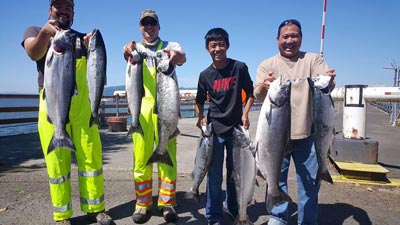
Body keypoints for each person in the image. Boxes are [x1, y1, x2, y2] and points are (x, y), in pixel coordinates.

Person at [21, 0, 113, 225]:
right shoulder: (35, 31)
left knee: (91, 158)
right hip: (53, 105)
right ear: (50, 9)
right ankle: (62, 216)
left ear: (73, 12)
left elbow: (96, 69)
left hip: (82, 108)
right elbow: (33, 52)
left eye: (68, 7)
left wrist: (93, 46)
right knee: (57, 163)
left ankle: (96, 208)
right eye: (58, 6)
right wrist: (45, 33)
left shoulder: (80, 38)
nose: (63, 10)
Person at [254, 19, 336, 225]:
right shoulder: (267, 64)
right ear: (277, 39)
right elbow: (257, 95)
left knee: (308, 185)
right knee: (275, 179)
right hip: (275, 137)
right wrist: (264, 86)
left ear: (300, 38)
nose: (289, 40)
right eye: (285, 36)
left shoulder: (313, 60)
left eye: (294, 36)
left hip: (307, 134)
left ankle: (307, 221)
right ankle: (277, 217)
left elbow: (325, 86)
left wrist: (329, 81)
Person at [122, 9, 186, 224]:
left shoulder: (170, 46)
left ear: (159, 26)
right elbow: (126, 55)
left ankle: (167, 204)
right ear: (140, 27)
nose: (149, 27)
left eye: (152, 23)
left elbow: (182, 58)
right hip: (141, 110)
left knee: (168, 158)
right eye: (145, 24)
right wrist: (126, 52)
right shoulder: (135, 49)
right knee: (141, 158)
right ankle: (142, 204)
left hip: (166, 109)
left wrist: (176, 57)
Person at [195, 28, 255, 225]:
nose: (217, 49)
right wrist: (201, 116)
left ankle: (235, 209)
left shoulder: (239, 67)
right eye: (213, 46)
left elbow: (250, 93)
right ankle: (214, 217)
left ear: (227, 46)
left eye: (221, 44)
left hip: (236, 130)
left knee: (235, 174)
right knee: (214, 176)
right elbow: (199, 101)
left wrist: (245, 114)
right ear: (207, 49)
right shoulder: (205, 75)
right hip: (215, 131)